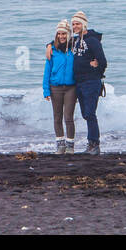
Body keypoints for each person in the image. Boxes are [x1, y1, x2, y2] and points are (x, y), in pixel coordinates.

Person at [68, 12, 107, 154]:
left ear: (84, 24)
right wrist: (49, 45)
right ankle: (91, 144)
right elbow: (58, 41)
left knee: (90, 113)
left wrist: (96, 70)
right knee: (85, 113)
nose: (75, 26)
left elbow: (103, 61)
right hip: (79, 83)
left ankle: (94, 144)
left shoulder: (92, 41)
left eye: (77, 24)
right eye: (73, 24)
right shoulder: (75, 40)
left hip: (91, 82)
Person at [43, 19, 77, 154]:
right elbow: (47, 71)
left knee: (68, 117)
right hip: (55, 87)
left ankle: (70, 146)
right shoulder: (52, 50)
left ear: (68, 34)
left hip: (71, 88)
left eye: (64, 34)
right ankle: (60, 145)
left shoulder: (74, 48)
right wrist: (46, 90)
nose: (61, 36)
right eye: (59, 34)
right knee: (57, 117)